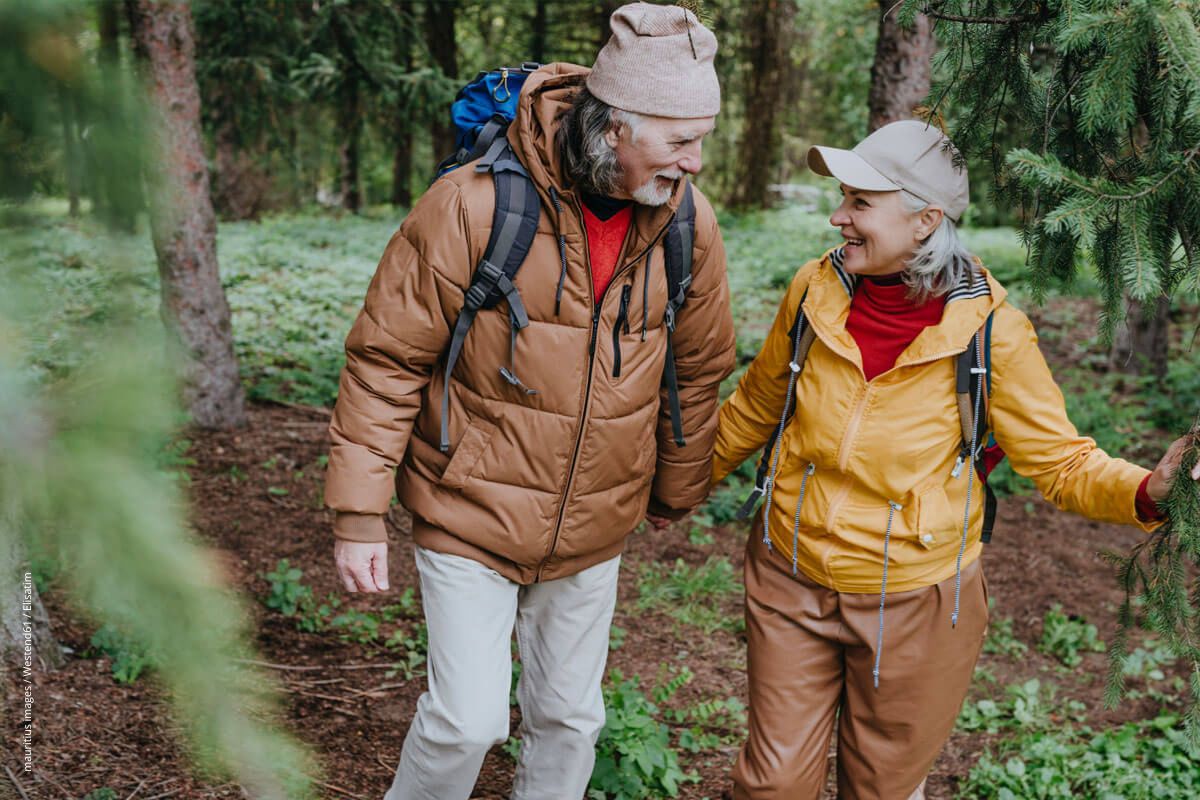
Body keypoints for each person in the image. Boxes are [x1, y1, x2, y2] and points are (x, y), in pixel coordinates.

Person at [711, 119, 1199, 800]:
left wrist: (1151, 491)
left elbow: (1059, 462)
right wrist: (664, 486)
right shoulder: (812, 291)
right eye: (843, 198)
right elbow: (757, 405)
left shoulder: (992, 333)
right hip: (790, 578)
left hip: (916, 599)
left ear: (924, 221)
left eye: (860, 203)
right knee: (770, 787)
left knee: (882, 790)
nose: (837, 216)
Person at [322, 4, 735, 798]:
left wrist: (674, 488)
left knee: (571, 722)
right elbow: (386, 358)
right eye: (680, 140)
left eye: (703, 139)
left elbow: (697, 366)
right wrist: (359, 513)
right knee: (466, 721)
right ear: (616, 127)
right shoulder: (476, 205)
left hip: (592, 523)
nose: (695, 162)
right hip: (467, 507)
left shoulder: (688, 224)